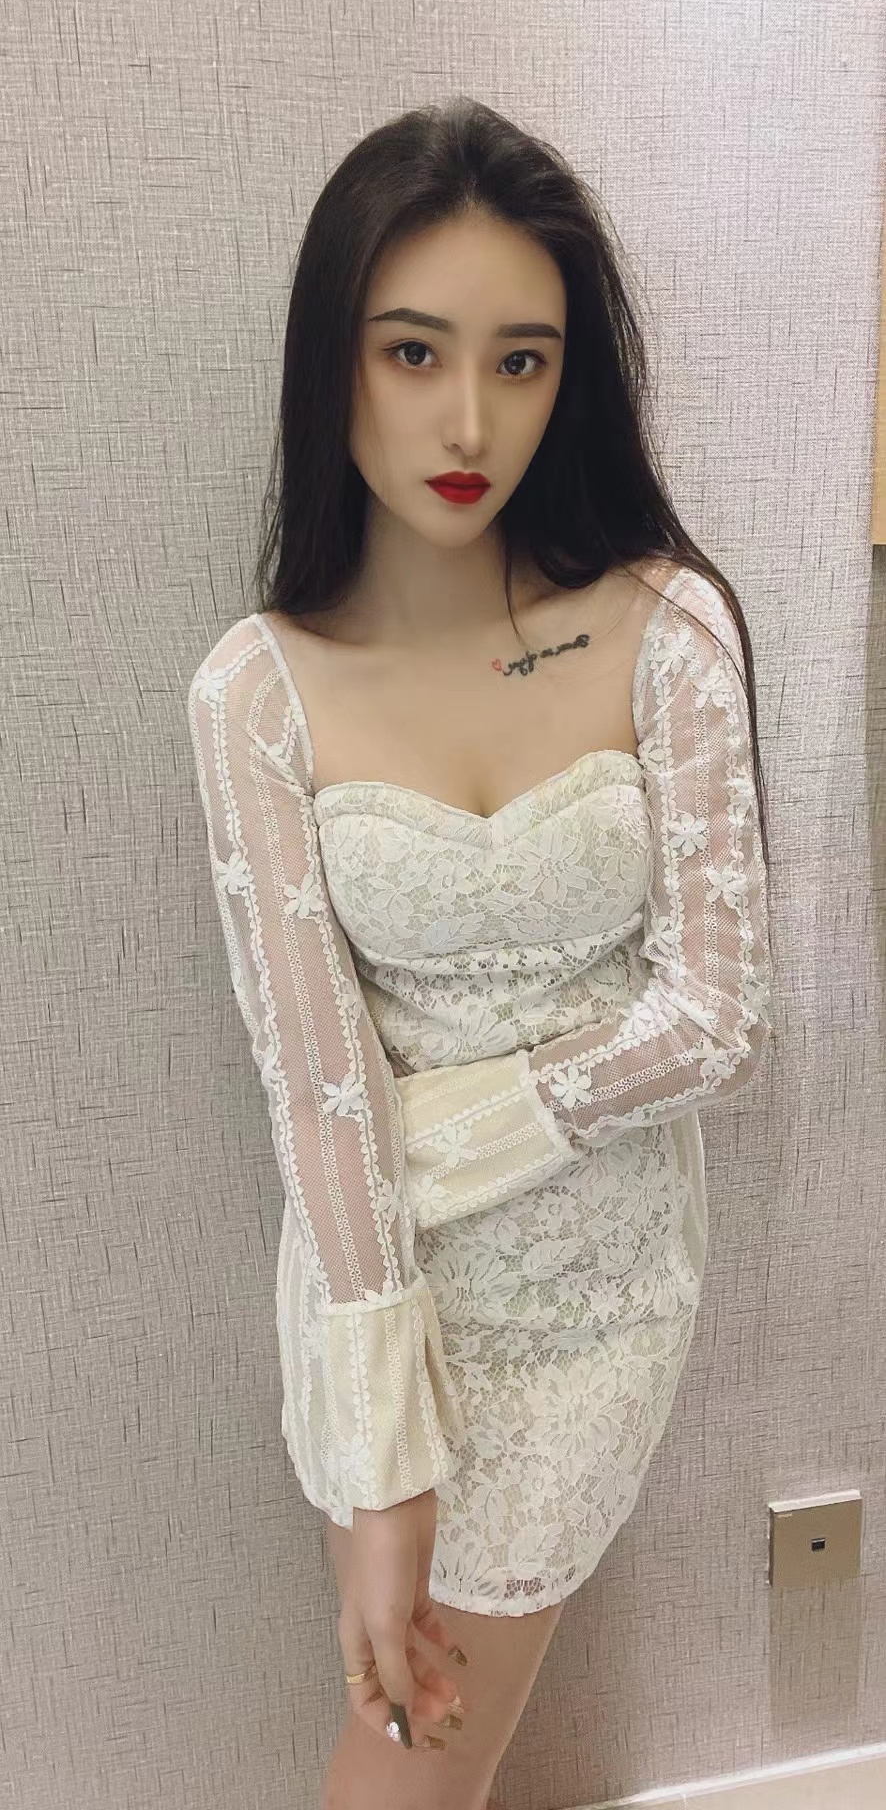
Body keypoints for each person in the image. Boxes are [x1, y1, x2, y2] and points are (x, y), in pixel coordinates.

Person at [186, 97, 774, 1810]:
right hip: (383, 1289)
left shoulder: (663, 626)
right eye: (412, 352)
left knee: (411, 1766)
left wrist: (453, 1123)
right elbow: (312, 1088)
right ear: (334, 362)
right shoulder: (255, 693)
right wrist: (380, 1466)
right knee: (414, 1744)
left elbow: (716, 1016)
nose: (466, 421)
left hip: (600, 1294)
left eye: (520, 362)